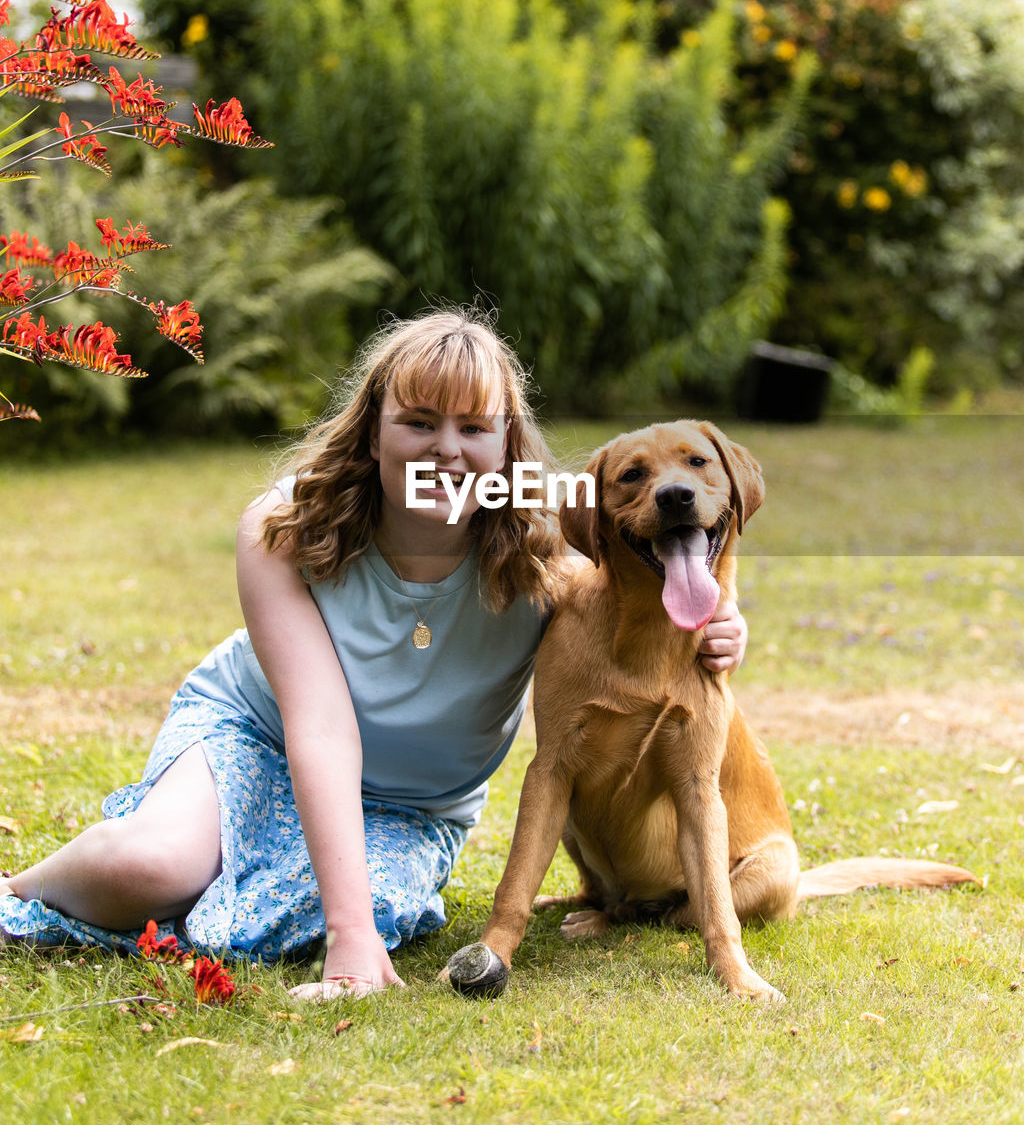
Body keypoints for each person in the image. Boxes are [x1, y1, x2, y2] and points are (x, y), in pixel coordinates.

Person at [0, 307, 748, 998]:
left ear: (508, 444)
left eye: (474, 428)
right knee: (152, 869)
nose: (446, 450)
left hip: (409, 807)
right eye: (418, 422)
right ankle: (21, 889)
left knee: (311, 915)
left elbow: (650, 578)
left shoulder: (547, 563)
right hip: (257, 738)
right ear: (372, 430)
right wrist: (349, 939)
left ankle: (214, 878)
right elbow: (318, 726)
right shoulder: (284, 529)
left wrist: (725, 615)